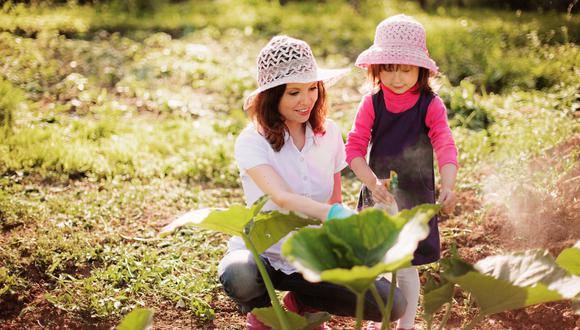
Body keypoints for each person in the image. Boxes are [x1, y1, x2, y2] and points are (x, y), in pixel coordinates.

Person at [218, 35, 407, 330]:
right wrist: (331, 214)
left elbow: (333, 199)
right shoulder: (252, 140)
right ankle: (265, 315)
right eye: (293, 92)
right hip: (265, 254)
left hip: (312, 255)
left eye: (311, 89)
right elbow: (281, 197)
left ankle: (304, 303)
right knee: (239, 274)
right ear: (272, 96)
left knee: (392, 303)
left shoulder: (328, 133)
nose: (306, 100)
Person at [346, 15, 459, 330]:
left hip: (415, 197)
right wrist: (370, 182)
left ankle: (405, 325)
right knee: (379, 263)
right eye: (389, 69)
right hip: (379, 194)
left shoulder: (430, 105)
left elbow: (445, 146)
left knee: (407, 268)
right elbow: (354, 150)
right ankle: (379, 318)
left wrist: (448, 184)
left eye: (405, 69)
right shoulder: (372, 103)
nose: (396, 78)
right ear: (377, 69)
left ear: (421, 70)